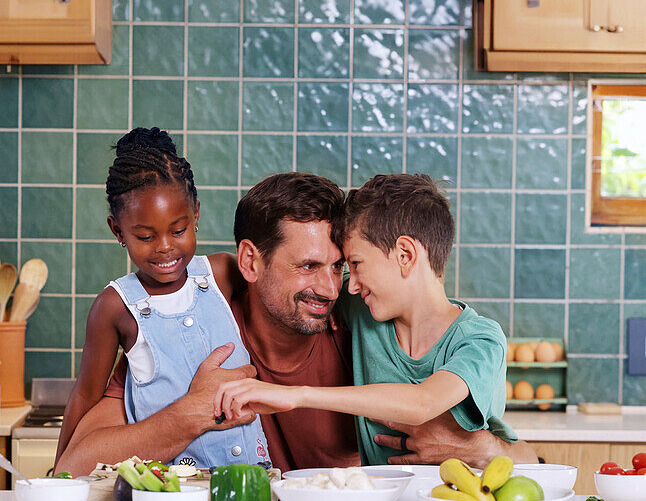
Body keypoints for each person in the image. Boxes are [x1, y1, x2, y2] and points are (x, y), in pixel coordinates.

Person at [56, 173, 537, 477]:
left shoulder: (362, 323)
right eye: (308, 267)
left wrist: (480, 446)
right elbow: (76, 464)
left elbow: (532, 464)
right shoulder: (193, 332)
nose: (331, 289)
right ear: (250, 260)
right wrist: (194, 412)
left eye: (340, 267)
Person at [214, 173, 518, 467]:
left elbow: (423, 403)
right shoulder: (363, 311)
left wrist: (295, 396)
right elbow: (252, 277)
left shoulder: (481, 338)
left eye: (353, 265)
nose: (342, 288)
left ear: (405, 255)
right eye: (346, 268)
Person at [54, 127, 270, 470]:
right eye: (145, 236)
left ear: (196, 214)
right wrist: (59, 472)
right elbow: (85, 394)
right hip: (170, 490)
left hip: (252, 478)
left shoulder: (222, 274)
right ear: (118, 231)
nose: (165, 247)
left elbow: (276, 296)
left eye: (178, 230)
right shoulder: (115, 306)